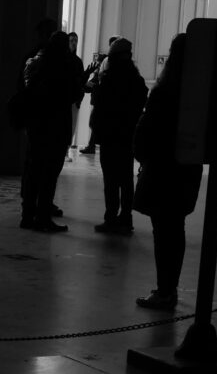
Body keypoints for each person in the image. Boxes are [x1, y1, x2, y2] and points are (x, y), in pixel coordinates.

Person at [131, 32, 203, 308]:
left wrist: (143, 156)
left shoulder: (164, 91)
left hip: (162, 170)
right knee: (176, 230)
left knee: (162, 233)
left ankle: (164, 290)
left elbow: (145, 132)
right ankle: (169, 288)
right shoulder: (198, 93)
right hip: (186, 170)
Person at [19, 30, 87, 231]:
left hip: (36, 125)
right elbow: (72, 94)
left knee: (33, 171)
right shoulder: (63, 67)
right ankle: (43, 217)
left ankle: (27, 215)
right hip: (56, 127)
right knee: (49, 174)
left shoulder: (35, 63)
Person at [88, 37, 147, 234]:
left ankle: (111, 217)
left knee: (111, 180)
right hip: (127, 136)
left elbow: (98, 104)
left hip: (109, 136)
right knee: (126, 179)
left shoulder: (108, 79)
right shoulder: (136, 80)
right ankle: (126, 217)